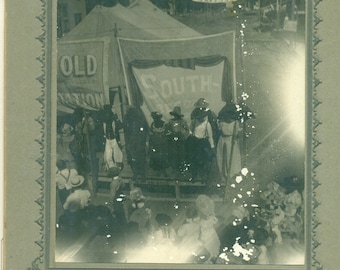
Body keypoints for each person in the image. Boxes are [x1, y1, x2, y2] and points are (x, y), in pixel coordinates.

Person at [187, 107, 215, 183]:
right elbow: (190, 129)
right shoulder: (194, 121)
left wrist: (212, 146)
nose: (200, 119)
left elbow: (210, 136)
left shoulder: (207, 124)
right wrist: (191, 134)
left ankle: (203, 177)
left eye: (201, 117)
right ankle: (194, 176)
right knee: (194, 160)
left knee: (203, 160)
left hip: (203, 143)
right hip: (195, 142)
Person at [216, 102, 242, 183]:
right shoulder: (235, 122)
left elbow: (219, 130)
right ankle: (229, 176)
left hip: (225, 140)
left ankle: (227, 176)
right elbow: (236, 133)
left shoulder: (221, 122)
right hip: (229, 140)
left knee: (226, 158)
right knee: (228, 158)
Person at [123, 106, 149, 182]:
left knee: (141, 158)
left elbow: (145, 130)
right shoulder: (126, 119)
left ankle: (142, 174)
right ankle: (135, 173)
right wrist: (127, 143)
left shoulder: (140, 119)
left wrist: (144, 141)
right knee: (132, 158)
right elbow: (126, 132)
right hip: (131, 142)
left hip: (139, 142)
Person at [166, 106, 190, 173]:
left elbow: (187, 131)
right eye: (174, 115)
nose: (175, 116)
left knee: (181, 153)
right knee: (173, 153)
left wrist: (183, 134)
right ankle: (174, 167)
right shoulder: (170, 122)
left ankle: (181, 167)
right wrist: (171, 134)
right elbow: (168, 130)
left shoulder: (183, 121)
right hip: (172, 139)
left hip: (181, 139)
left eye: (177, 115)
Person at [102, 104, 124, 176]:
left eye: (108, 111)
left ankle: (117, 169)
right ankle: (112, 170)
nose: (107, 114)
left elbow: (121, 126)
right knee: (108, 156)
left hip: (115, 139)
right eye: (106, 112)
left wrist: (116, 117)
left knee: (117, 155)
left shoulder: (114, 118)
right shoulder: (104, 121)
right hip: (107, 140)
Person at [149, 112, 169, 177]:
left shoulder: (164, 124)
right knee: (157, 157)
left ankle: (163, 171)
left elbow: (168, 133)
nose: (156, 119)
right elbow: (151, 134)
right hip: (155, 144)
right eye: (154, 118)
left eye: (157, 118)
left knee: (163, 157)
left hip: (163, 143)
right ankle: (159, 171)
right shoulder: (152, 124)